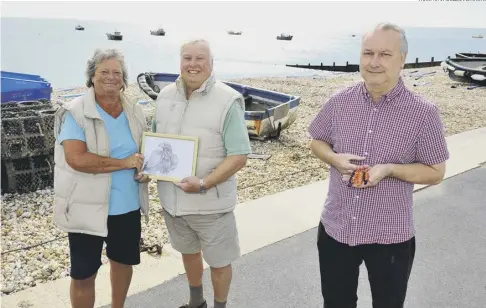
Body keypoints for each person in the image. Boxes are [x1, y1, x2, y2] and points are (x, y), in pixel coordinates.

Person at [308, 23, 450, 308]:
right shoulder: (339, 102)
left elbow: (436, 172)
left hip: (390, 234)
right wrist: (334, 159)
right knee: (336, 303)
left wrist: (390, 169)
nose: (374, 62)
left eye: (385, 54)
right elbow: (316, 141)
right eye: (368, 53)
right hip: (337, 226)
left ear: (402, 60)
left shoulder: (424, 113)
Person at [153, 39, 251, 308]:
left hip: (211, 204)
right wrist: (145, 164)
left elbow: (239, 155)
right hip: (173, 202)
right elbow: (155, 141)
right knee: (188, 252)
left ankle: (220, 305)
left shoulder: (227, 100)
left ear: (211, 64)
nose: (193, 65)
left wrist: (205, 183)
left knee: (219, 262)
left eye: (200, 59)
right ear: (180, 61)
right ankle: (196, 303)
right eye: (187, 58)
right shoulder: (164, 97)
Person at [53, 48, 150, 308]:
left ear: (123, 78)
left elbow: (142, 150)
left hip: (127, 206)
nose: (111, 77)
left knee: (123, 263)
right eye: (104, 72)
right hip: (87, 207)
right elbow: (77, 158)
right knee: (84, 274)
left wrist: (146, 168)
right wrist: (124, 163)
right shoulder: (74, 112)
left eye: (116, 72)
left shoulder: (134, 108)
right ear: (92, 77)